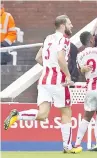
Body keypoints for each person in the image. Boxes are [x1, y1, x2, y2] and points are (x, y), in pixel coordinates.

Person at [3, 15, 81, 153]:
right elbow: (61, 57)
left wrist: (49, 67)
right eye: (70, 23)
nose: (72, 26)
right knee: (66, 112)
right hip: (59, 81)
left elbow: (38, 57)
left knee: (42, 114)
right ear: (63, 25)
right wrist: (68, 76)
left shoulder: (48, 38)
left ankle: (18, 115)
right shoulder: (64, 40)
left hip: (44, 80)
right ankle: (68, 147)